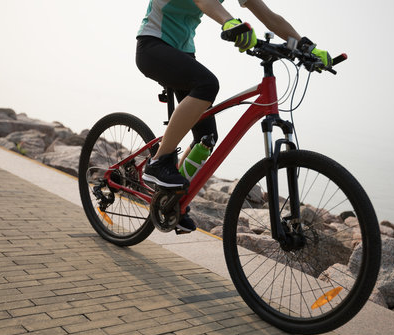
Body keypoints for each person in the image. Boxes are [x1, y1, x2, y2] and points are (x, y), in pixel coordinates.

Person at [136, 0, 331, 233]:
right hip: (153, 45)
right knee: (208, 85)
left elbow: (269, 17)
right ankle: (159, 161)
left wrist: (306, 46)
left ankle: (171, 201)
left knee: (206, 138)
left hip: (183, 52)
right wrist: (229, 21)